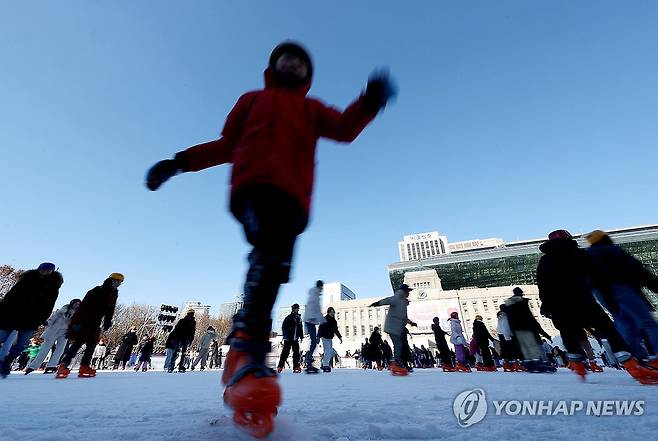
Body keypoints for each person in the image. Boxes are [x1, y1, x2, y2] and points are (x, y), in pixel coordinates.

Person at [145, 41, 395, 437]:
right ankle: (249, 350)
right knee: (267, 255)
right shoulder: (251, 99)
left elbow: (345, 129)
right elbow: (226, 145)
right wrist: (179, 161)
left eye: (301, 61)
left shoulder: (311, 109)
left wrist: (369, 102)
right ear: (273, 67)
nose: (293, 63)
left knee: (274, 268)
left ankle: (245, 346)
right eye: (286, 58)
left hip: (293, 199)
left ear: (307, 75)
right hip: (254, 189)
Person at [537, 229, 658, 383]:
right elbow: (597, 278)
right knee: (609, 330)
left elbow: (543, 286)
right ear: (568, 238)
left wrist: (546, 306)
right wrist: (609, 299)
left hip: (559, 306)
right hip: (583, 301)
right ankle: (632, 365)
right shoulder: (579, 254)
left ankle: (578, 365)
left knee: (569, 333)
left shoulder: (545, 261)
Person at [585, 230, 658, 369]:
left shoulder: (588, 256)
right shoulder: (613, 251)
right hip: (622, 288)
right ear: (605, 238)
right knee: (647, 323)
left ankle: (637, 358)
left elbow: (588, 279)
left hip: (604, 294)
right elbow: (637, 269)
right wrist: (654, 285)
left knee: (625, 325)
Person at [0, 262, 64, 378]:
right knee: (1, 336)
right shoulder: (27, 280)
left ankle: (6, 362)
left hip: (31, 318)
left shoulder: (52, 286)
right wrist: (3, 308)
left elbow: (49, 305)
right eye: (43, 270)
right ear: (39, 269)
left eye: (48, 271)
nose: (45, 272)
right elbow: (10, 296)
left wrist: (42, 318)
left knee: (21, 344)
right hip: (12, 314)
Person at [56, 273, 121, 379]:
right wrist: (78, 322)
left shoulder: (114, 293)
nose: (118, 284)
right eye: (116, 281)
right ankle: (63, 365)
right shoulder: (97, 290)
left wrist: (108, 321)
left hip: (96, 322)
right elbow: (84, 306)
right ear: (110, 280)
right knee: (78, 343)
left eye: (120, 282)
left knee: (91, 344)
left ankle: (84, 366)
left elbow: (110, 309)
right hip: (84, 320)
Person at [370, 284, 417, 376]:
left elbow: (403, 317)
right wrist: (377, 303)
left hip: (397, 327)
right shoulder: (398, 298)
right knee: (399, 345)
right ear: (404, 291)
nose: (408, 293)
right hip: (393, 327)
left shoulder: (402, 302)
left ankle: (399, 362)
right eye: (408, 291)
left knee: (400, 345)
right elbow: (387, 300)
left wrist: (410, 323)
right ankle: (397, 363)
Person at [25, 298, 82, 374]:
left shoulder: (78, 314)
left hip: (65, 332)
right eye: (76, 303)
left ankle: (51, 365)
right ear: (72, 303)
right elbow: (53, 317)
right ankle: (33, 366)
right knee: (44, 349)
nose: (77, 305)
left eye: (78, 304)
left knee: (60, 350)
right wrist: (47, 322)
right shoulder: (63, 310)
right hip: (54, 330)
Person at [505, 287, 555, 373]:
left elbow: (509, 319)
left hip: (516, 329)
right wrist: (537, 328)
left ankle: (529, 364)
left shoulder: (509, 304)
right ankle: (536, 364)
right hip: (526, 327)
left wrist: (512, 330)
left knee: (524, 347)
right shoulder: (523, 302)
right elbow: (529, 316)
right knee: (532, 346)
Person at [303, 280, 324, 373]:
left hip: (309, 320)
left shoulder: (313, 293)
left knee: (313, 341)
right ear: (320, 286)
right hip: (310, 320)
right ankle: (308, 359)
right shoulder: (315, 295)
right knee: (314, 341)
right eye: (322, 287)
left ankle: (308, 359)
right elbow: (317, 309)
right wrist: (322, 320)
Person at [277, 304, 304, 373]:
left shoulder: (299, 318)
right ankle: (280, 366)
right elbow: (284, 327)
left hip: (295, 338)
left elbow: (300, 327)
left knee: (296, 353)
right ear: (293, 309)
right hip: (288, 338)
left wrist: (301, 335)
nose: (297, 309)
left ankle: (296, 366)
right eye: (295, 308)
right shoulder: (288, 317)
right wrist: (286, 336)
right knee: (285, 353)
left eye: (298, 308)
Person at [317, 307, 343, 372]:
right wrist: (318, 337)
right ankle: (325, 365)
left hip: (330, 338)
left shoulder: (334, 321)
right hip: (324, 336)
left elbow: (336, 330)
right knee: (327, 351)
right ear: (328, 312)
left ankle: (325, 364)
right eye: (331, 312)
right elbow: (320, 328)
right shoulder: (325, 319)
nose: (332, 313)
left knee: (330, 351)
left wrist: (340, 337)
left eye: (333, 312)